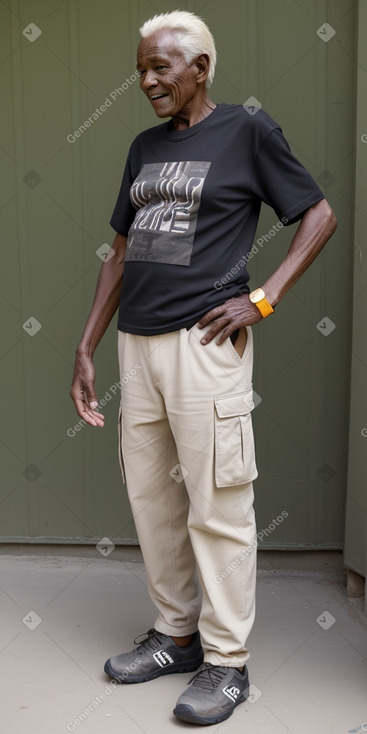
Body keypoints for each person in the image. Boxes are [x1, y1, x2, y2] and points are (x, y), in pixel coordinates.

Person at [70, 10, 337, 726]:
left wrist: (264, 299)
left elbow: (316, 214)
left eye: (161, 67)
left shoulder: (248, 131)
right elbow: (120, 252)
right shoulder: (143, 147)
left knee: (219, 506)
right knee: (154, 501)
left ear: (200, 68)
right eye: (140, 69)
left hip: (204, 345)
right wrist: (86, 346)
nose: (147, 80)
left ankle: (227, 664)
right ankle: (175, 638)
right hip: (138, 345)